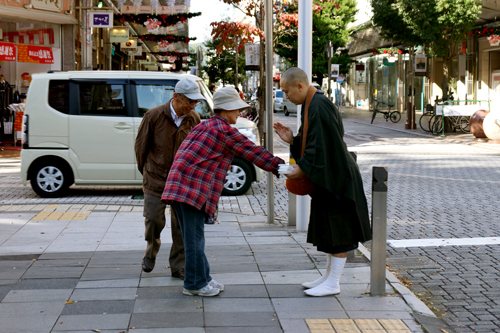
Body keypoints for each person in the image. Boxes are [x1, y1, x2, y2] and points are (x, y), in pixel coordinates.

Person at [162, 86, 285, 296]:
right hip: (191, 190)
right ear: (227, 109)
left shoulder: (206, 125)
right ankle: (194, 285)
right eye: (237, 109)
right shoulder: (224, 130)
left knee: (193, 239)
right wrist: (280, 167)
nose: (240, 113)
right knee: (194, 241)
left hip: (180, 187)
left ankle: (203, 278)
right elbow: (251, 150)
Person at [273, 67, 371, 297]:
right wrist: (294, 141)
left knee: (339, 230)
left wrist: (301, 168)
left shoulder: (318, 105)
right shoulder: (313, 103)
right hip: (330, 176)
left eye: (287, 91)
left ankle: (334, 282)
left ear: (300, 86)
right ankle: (328, 276)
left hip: (337, 178)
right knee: (329, 228)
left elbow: (324, 148)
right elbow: (318, 144)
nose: (286, 97)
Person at [135, 78, 203, 279]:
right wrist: (148, 172)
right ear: (176, 97)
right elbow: (141, 149)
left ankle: (178, 265)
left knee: (181, 226)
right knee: (153, 220)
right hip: (155, 178)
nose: (192, 106)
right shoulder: (154, 116)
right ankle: (151, 251)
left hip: (182, 181)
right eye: (189, 101)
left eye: (195, 102)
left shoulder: (194, 119)